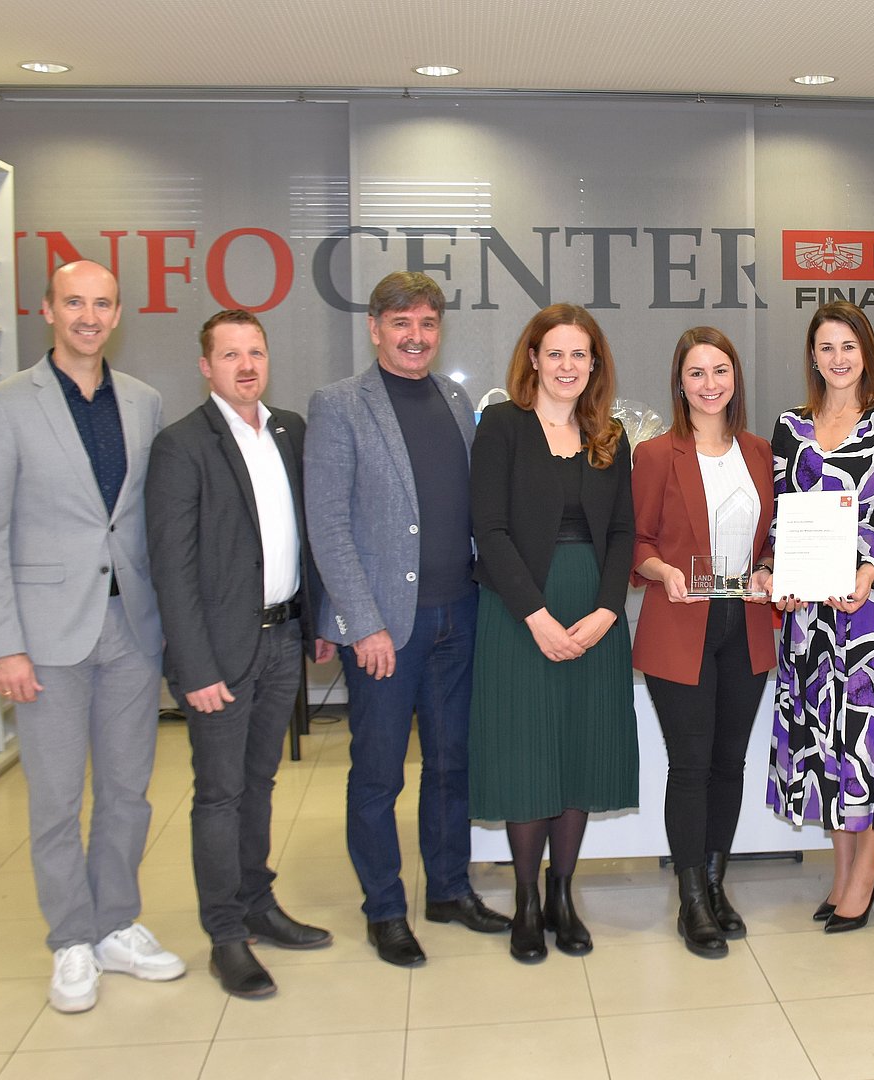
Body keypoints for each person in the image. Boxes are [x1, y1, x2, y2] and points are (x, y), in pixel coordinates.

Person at [0, 260, 184, 1013]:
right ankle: (70, 939)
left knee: (127, 793)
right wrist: (3, 645)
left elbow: (143, 521)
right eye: (74, 303)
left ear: (118, 314)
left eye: (102, 304)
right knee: (56, 800)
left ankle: (116, 923)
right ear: (48, 310)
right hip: (45, 638)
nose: (89, 316)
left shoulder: (144, 402)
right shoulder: (4, 406)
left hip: (131, 629)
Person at [305, 271, 509, 969]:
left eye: (426, 323)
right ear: (375, 328)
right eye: (401, 324)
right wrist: (362, 624)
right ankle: (385, 908)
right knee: (379, 773)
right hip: (386, 628)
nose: (415, 337)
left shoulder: (454, 398)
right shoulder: (339, 405)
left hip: (460, 615)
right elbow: (329, 525)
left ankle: (448, 889)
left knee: (452, 764)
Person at [146, 310, 337, 998]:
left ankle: (258, 903)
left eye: (256, 351)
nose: (247, 365)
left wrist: (317, 618)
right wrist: (194, 667)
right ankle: (225, 934)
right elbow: (172, 568)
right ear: (206, 366)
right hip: (220, 654)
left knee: (260, 783)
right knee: (219, 795)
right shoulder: (181, 445)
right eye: (230, 354)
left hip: (284, 637)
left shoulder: (290, 431)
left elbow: (310, 532)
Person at [468, 304, 638, 964]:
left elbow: (622, 531)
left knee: (580, 751)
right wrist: (536, 617)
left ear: (595, 364)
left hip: (593, 614)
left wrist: (607, 611)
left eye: (580, 354)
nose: (568, 365)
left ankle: (562, 895)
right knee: (527, 753)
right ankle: (527, 901)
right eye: (556, 353)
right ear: (534, 359)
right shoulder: (502, 427)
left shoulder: (609, 436)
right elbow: (490, 530)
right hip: (519, 614)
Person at [767, 300, 874, 933]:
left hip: (871, 615)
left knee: (869, 744)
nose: (838, 358)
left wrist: (868, 572)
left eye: (848, 346)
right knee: (825, 746)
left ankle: (866, 876)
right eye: (827, 347)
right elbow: (779, 517)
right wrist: (782, 576)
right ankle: (841, 874)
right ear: (813, 355)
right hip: (810, 619)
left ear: (866, 353)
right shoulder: (791, 427)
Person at [631, 327, 776, 958]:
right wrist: (661, 570)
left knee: (729, 764)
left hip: (745, 624)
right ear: (680, 382)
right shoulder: (656, 455)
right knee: (690, 767)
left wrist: (767, 568)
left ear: (735, 378)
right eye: (697, 373)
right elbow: (636, 543)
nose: (710, 384)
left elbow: (770, 539)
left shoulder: (760, 452)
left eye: (720, 370)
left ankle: (716, 885)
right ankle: (691, 899)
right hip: (680, 623)